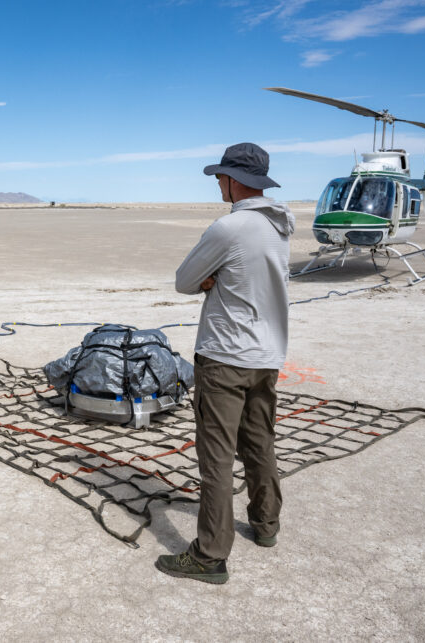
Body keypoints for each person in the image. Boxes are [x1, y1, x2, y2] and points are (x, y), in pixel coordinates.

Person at [156, 142, 295, 585]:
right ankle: (265, 525)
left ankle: (210, 555)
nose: (218, 185)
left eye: (220, 178)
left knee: (215, 457)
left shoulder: (230, 227)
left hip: (225, 357)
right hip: (266, 356)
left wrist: (208, 281)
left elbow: (182, 282)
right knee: (259, 443)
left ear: (235, 180)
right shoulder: (281, 225)